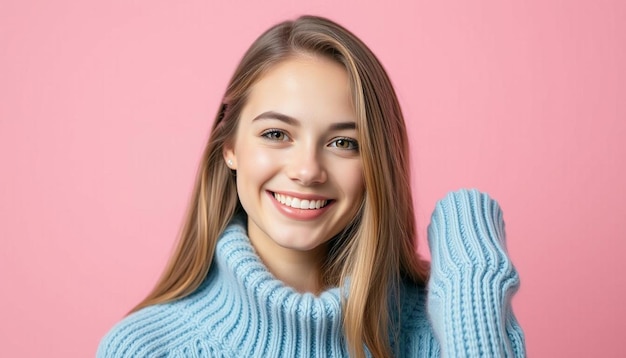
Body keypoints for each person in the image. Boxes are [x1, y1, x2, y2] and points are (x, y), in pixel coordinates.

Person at [98, 15, 526, 357]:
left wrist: (472, 283)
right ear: (229, 146)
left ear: (376, 163)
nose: (307, 170)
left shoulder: (450, 325)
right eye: (276, 134)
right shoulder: (147, 348)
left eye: (343, 143)